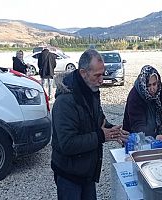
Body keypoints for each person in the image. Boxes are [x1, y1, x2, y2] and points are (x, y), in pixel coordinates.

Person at [51, 49, 128, 200]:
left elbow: (99, 120)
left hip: (87, 173)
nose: (102, 80)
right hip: (69, 176)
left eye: (103, 74)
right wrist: (101, 136)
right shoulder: (65, 101)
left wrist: (114, 131)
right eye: (97, 75)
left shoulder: (90, 91)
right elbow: (67, 143)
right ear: (83, 73)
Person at [123, 65, 162, 138]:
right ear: (144, 83)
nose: (152, 88)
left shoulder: (159, 89)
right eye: (148, 85)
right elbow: (137, 126)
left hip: (158, 133)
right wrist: (155, 136)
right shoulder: (135, 97)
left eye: (154, 84)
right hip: (135, 139)